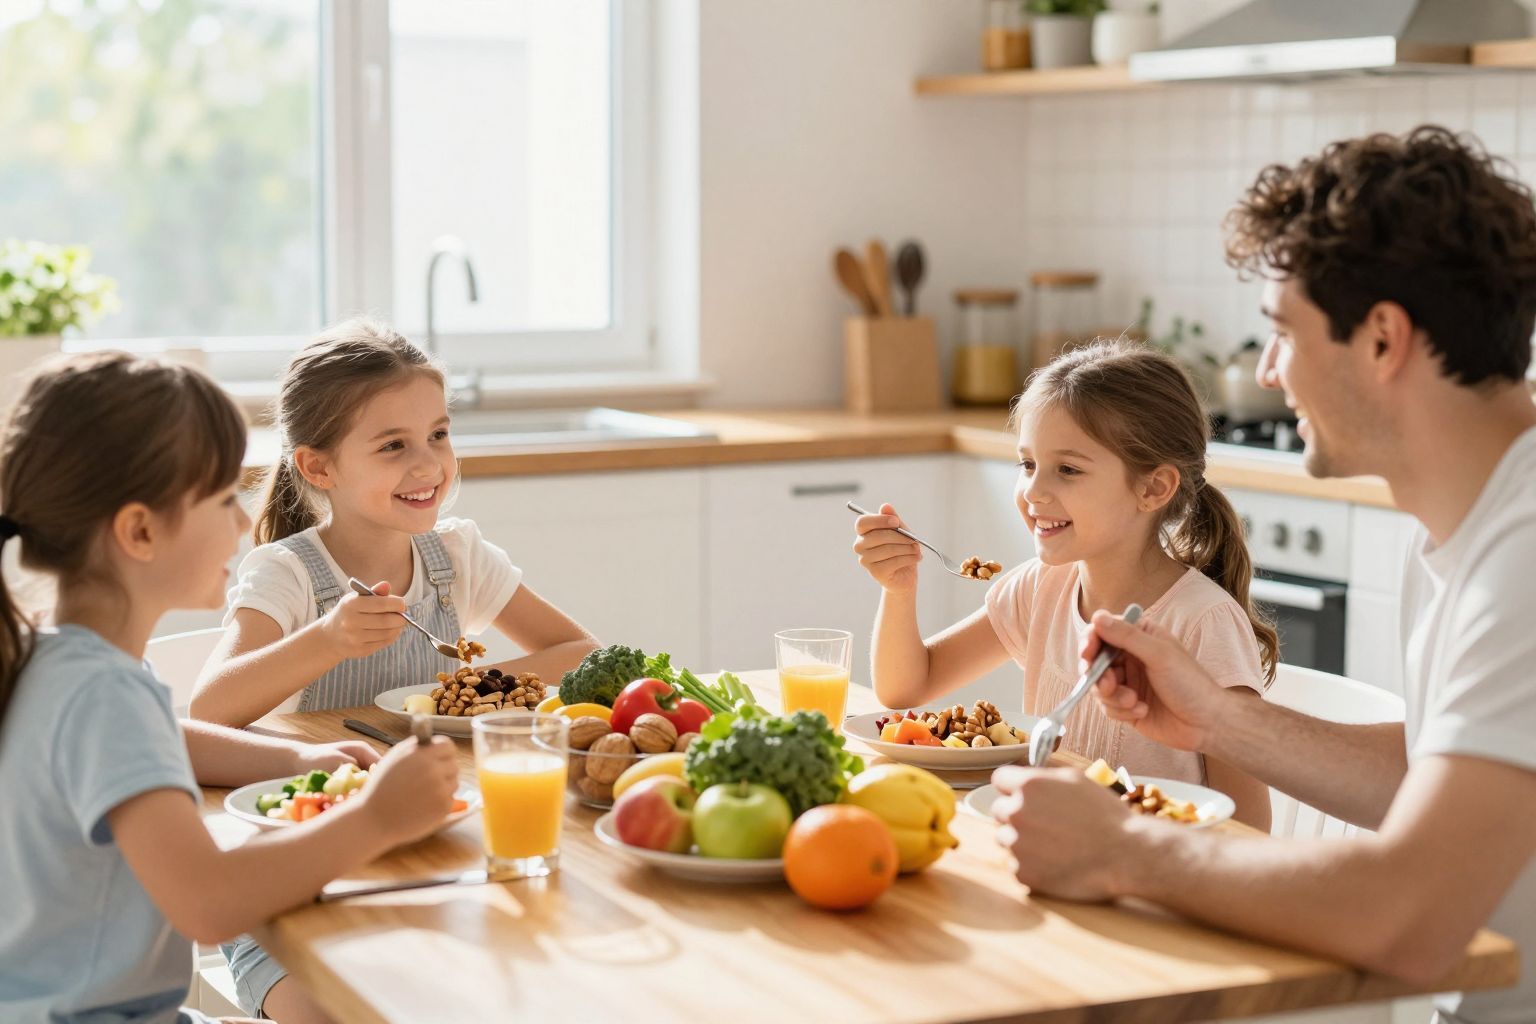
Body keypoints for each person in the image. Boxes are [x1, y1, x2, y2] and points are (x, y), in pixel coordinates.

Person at [992, 126, 1536, 1023]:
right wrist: (1217, 715)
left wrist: (1125, 849)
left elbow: (1410, 914)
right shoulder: (1461, 523)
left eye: (1282, 334)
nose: (1269, 370)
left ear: (1383, 338)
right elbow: (1437, 777)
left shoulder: (1522, 558)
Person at [0, 352, 460, 1023]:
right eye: (222, 500)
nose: (244, 525)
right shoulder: (104, 694)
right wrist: (376, 818)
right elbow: (208, 905)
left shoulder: (50, 662)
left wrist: (297, 760)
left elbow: (160, 741)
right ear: (139, 531)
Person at [190, 319, 598, 1019]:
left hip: (434, 857)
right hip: (298, 883)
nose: (429, 465)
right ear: (319, 468)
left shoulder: (456, 556)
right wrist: (325, 640)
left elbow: (578, 655)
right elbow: (205, 712)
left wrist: (458, 693)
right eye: (393, 446)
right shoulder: (288, 573)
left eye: (438, 434)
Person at [854, 340, 1274, 827]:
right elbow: (907, 686)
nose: (1033, 491)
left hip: (1156, 876)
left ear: (1153, 488)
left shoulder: (1202, 621)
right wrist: (900, 588)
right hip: (1055, 851)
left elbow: (1250, 825)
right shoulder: (1041, 589)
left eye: (1067, 470)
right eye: (1027, 464)